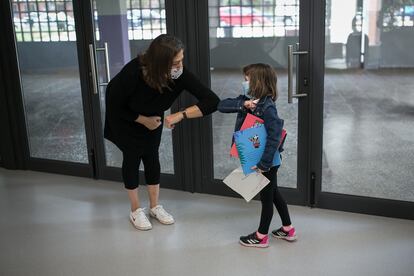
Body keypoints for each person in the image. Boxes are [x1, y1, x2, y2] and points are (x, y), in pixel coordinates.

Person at [104, 34, 219, 231]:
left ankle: (155, 207)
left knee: (151, 158)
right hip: (126, 120)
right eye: (176, 62)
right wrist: (143, 120)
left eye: (182, 59)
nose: (180, 65)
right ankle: (135, 209)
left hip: (153, 120)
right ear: (160, 63)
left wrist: (181, 115)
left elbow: (212, 101)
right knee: (132, 159)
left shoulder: (179, 74)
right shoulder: (133, 72)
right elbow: (114, 105)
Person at [217, 63, 297, 248]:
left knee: (267, 198)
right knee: (274, 193)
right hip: (260, 159)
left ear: (258, 82)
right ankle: (288, 229)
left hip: (266, 161)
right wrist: (243, 104)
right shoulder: (249, 100)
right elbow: (221, 106)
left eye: (247, 79)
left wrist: (264, 164)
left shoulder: (267, 107)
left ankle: (261, 236)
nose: (244, 82)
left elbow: (274, 137)